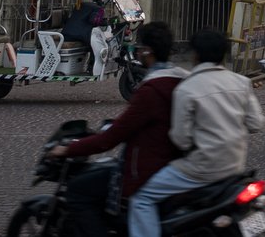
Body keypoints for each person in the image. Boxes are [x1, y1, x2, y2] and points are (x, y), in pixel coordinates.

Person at [46, 20, 185, 237]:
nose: (137, 53)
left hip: (146, 168)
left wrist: (68, 149)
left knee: (79, 190)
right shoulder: (180, 80)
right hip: (170, 163)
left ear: (147, 51)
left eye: (139, 48)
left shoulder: (151, 90)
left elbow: (109, 140)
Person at [130, 27, 263, 237]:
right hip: (236, 166)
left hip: (200, 168)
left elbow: (181, 139)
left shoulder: (187, 88)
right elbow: (256, 123)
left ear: (196, 55)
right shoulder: (241, 82)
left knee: (141, 199)